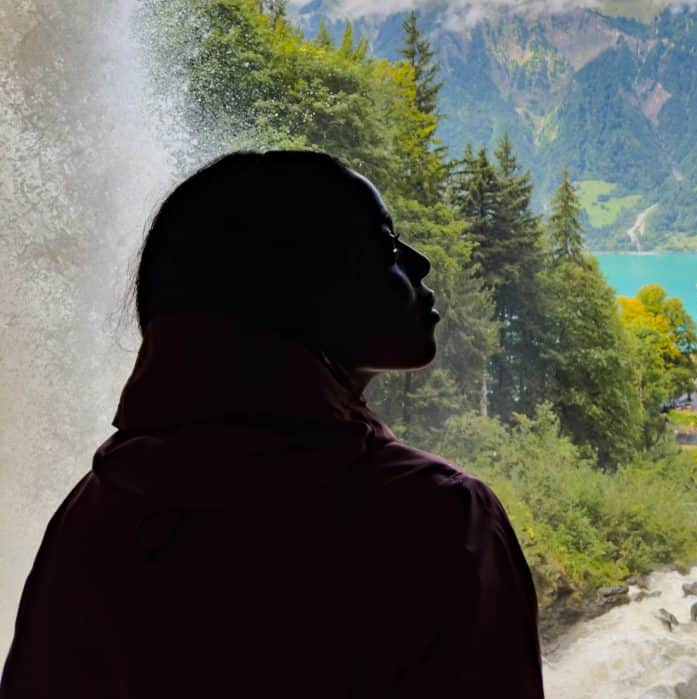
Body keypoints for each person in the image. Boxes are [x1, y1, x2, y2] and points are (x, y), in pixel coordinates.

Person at [1, 151, 545, 698]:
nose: (420, 263)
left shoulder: (94, 510)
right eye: (387, 249)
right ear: (307, 286)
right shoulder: (442, 517)